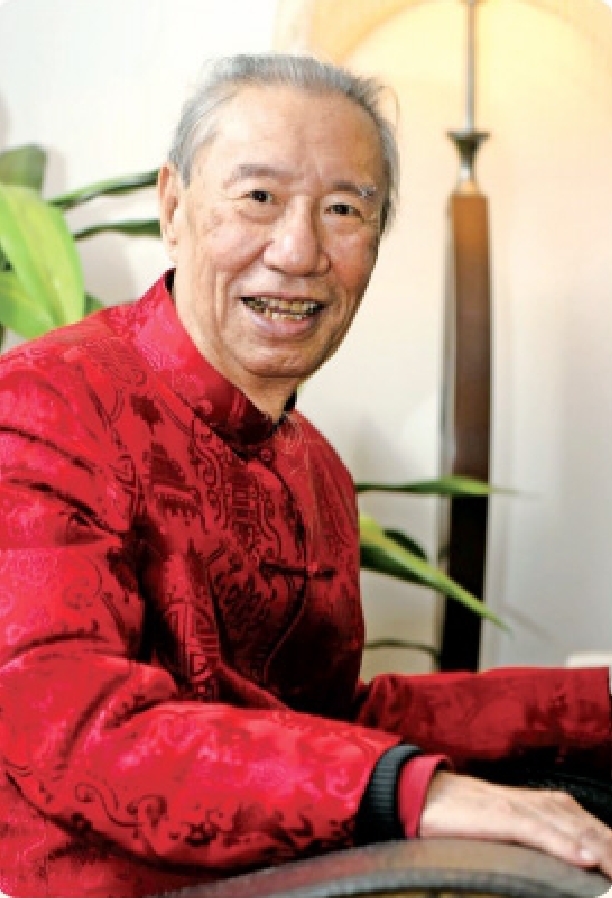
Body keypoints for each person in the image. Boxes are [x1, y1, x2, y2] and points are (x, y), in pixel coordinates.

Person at [0, 53, 611, 898]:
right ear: (173, 207)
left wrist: (594, 701)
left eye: (343, 210)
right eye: (259, 197)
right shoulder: (45, 403)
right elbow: (67, 724)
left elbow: (323, 724)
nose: (297, 252)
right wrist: (416, 793)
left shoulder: (316, 468)